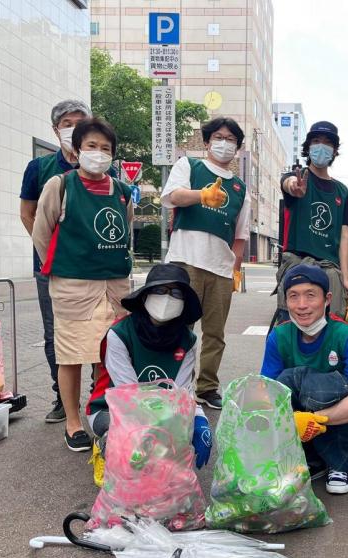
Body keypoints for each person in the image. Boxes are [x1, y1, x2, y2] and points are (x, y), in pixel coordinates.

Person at [32, 117, 133, 451]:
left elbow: (125, 232)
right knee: (72, 355)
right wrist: (64, 266)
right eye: (91, 146)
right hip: (74, 288)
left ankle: (103, 412)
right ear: (76, 150)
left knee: (112, 354)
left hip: (115, 287)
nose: (98, 153)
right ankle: (73, 422)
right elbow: (42, 232)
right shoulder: (60, 185)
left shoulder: (121, 191)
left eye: (105, 148)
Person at [260, 264, 348, 495]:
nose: (302, 305)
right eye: (294, 297)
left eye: (310, 295)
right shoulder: (279, 336)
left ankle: (341, 463)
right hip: (298, 417)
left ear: (327, 299)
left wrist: (314, 420)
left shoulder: (345, 335)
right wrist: (289, 422)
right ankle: (311, 457)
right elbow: (266, 395)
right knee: (284, 382)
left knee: (313, 384)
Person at [161, 117, 250, 410]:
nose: (224, 144)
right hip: (185, 261)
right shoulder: (189, 166)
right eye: (219, 138)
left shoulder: (239, 188)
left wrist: (235, 270)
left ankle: (208, 387)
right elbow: (172, 196)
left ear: (237, 148)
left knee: (215, 333)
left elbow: (240, 235)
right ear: (208, 141)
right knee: (180, 327)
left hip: (221, 270)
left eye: (231, 140)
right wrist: (202, 195)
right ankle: (176, 384)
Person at [87, 263, 211, 470]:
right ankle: (103, 448)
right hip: (113, 410)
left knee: (176, 446)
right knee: (126, 439)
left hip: (165, 412)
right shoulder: (120, 334)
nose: (167, 298)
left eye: (176, 293)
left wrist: (199, 420)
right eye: (160, 290)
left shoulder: (187, 341)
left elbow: (182, 393)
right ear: (145, 296)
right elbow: (129, 396)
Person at [20, 100, 92, 424]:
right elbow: (28, 213)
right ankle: (63, 400)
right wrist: (51, 251)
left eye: (80, 121)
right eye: (67, 122)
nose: (73, 127)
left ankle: (99, 397)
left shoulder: (103, 167)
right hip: (51, 269)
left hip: (94, 267)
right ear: (55, 130)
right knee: (56, 334)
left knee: (101, 330)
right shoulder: (39, 168)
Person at [278, 121, 348, 319]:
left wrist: (346, 278)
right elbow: (288, 184)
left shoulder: (341, 191)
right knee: (291, 324)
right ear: (308, 147)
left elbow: (344, 235)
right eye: (316, 141)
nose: (321, 146)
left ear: (334, 151)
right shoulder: (297, 177)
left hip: (330, 268)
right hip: (298, 262)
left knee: (333, 326)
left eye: (327, 142)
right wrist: (293, 187)